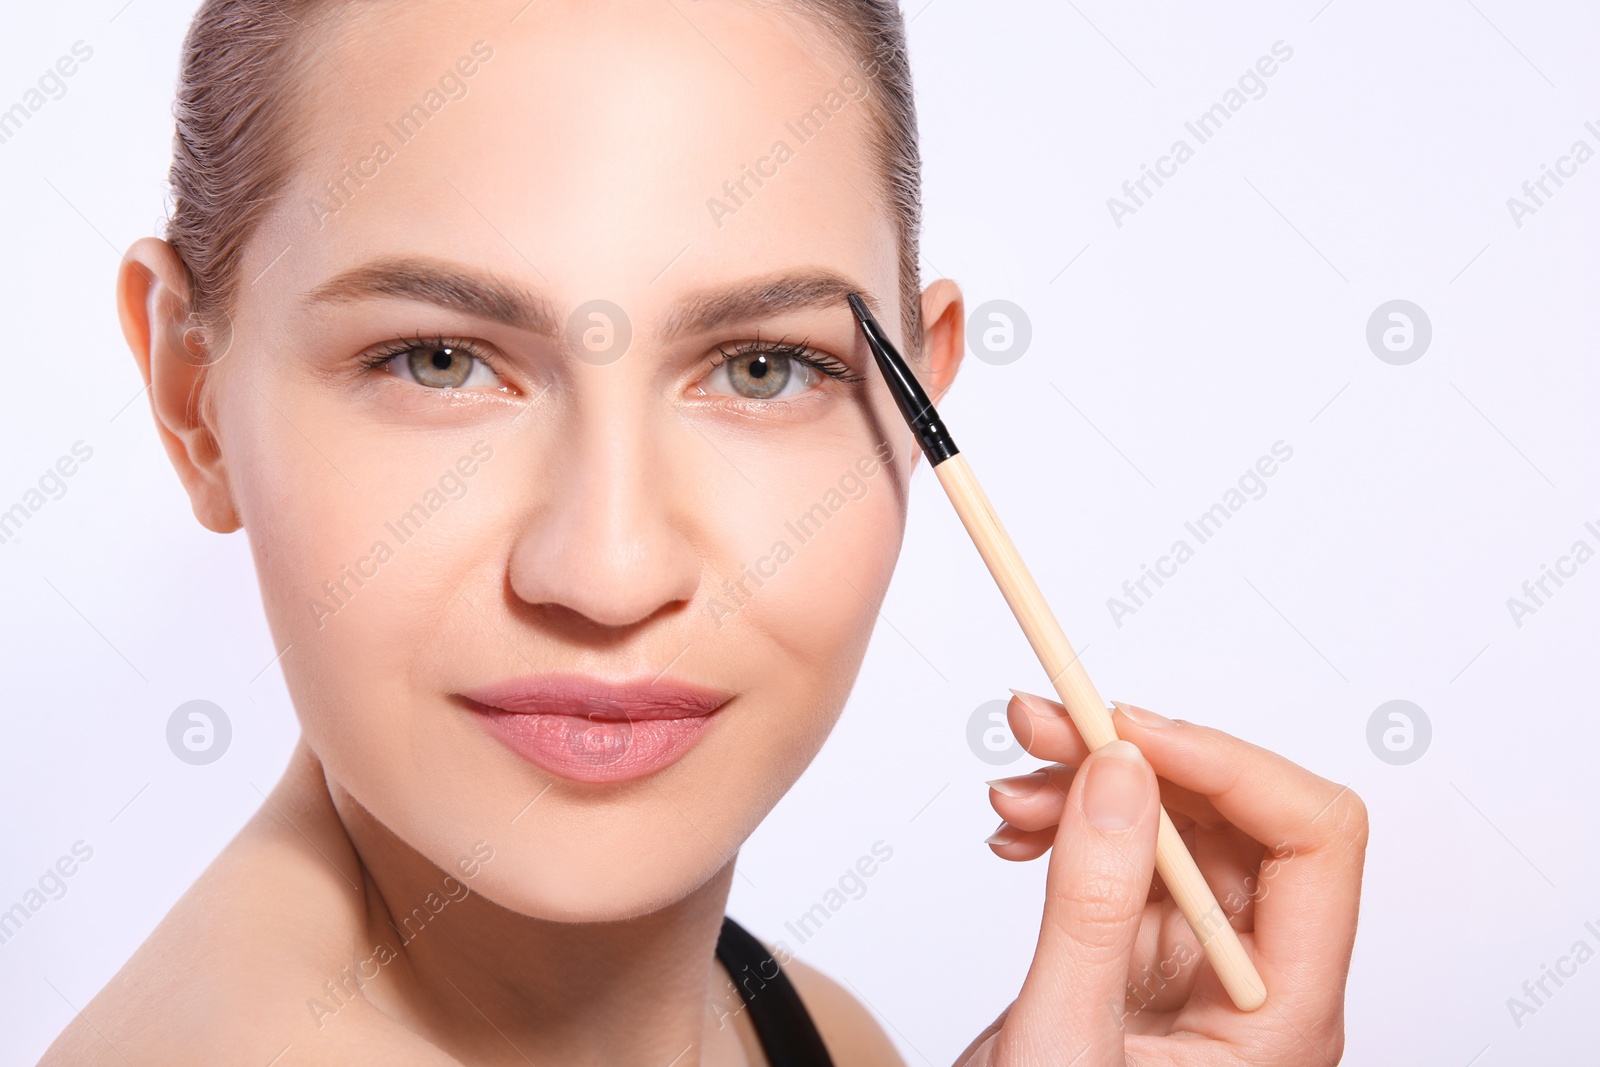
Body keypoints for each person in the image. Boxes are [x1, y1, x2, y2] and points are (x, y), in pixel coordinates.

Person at [41, 0, 1368, 1063]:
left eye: (759, 370)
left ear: (917, 404)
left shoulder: (799, 1022)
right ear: (190, 395)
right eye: (438, 361)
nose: (609, 571)